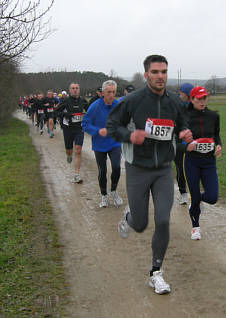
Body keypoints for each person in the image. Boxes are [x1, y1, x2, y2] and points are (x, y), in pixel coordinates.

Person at [106, 55, 192, 294]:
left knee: (163, 220)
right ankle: (129, 217)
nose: (160, 76)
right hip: (138, 169)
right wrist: (130, 136)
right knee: (141, 224)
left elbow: (183, 123)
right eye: (155, 72)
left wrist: (184, 132)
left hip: (164, 169)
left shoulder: (174, 102)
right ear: (146, 75)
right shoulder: (132, 101)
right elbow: (113, 126)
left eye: (164, 71)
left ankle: (156, 273)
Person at [181, 86, 222, 240]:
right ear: (192, 99)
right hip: (191, 161)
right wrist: (186, 146)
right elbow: (176, 139)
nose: (202, 101)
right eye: (199, 98)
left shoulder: (213, 116)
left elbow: (216, 135)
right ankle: (195, 227)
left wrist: (218, 146)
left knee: (212, 197)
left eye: (204, 98)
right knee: (195, 195)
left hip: (209, 162)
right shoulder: (184, 117)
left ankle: (196, 201)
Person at [82, 80, 123, 208]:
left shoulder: (118, 105)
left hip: (114, 142)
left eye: (113, 92)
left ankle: (113, 191)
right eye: (108, 92)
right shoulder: (94, 107)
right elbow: (85, 124)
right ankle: (104, 195)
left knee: (116, 167)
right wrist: (98, 131)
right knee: (102, 170)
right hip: (99, 144)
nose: (111, 95)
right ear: (103, 93)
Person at [55, 83, 88, 183]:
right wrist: (65, 114)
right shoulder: (65, 101)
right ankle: (69, 155)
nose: (75, 90)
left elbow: (90, 111)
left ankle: (77, 175)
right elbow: (56, 112)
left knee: (78, 150)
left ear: (79, 90)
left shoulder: (83, 101)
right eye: (73, 88)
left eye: (77, 88)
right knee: (69, 150)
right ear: (69, 90)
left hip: (79, 129)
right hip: (68, 129)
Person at [175, 82, 194, 205]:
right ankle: (183, 194)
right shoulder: (176, 105)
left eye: (181, 93)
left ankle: (195, 195)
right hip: (178, 143)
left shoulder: (194, 108)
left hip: (191, 144)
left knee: (192, 170)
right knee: (180, 169)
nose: (179, 95)